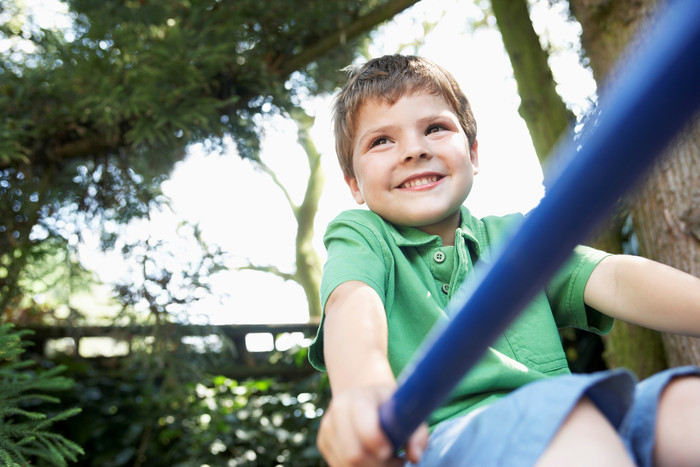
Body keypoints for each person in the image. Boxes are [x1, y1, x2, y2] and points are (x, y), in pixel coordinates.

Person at [308, 54, 700, 466]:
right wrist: (362, 387)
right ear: (354, 184)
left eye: (435, 128)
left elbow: (616, 278)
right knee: (568, 423)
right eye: (381, 141)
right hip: (446, 441)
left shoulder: (515, 239)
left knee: (683, 405)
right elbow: (351, 302)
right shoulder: (363, 236)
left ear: (473, 154)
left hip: (567, 411)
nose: (414, 150)